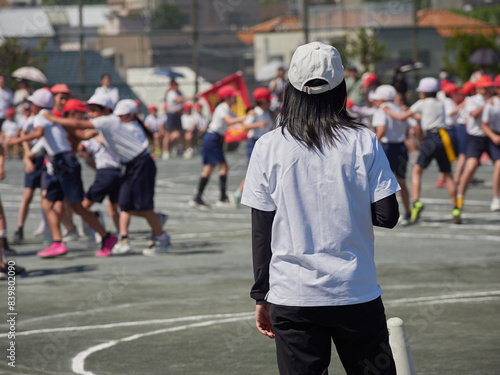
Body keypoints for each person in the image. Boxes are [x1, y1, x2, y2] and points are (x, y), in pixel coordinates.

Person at [241, 41, 399, 375]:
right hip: (355, 291)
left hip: (292, 295)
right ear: (341, 87)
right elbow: (388, 215)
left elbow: (261, 229)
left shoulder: (268, 146)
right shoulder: (363, 140)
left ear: (290, 89)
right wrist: (347, 204)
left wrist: (261, 294)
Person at [44, 96, 171, 256]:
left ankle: (162, 237)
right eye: (89, 110)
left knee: (143, 206)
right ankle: (127, 237)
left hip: (140, 165)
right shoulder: (106, 123)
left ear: (106, 110)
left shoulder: (108, 120)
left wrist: (52, 118)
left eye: (94, 110)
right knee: (124, 204)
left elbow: (79, 125)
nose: (90, 113)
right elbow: (83, 135)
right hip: (131, 166)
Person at [8, 89, 118, 258]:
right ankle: (58, 242)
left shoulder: (42, 115)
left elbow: (39, 134)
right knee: (48, 203)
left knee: (76, 206)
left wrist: (15, 141)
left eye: (31, 103)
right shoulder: (50, 116)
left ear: (36, 105)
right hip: (59, 162)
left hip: (64, 162)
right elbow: (48, 140)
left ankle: (106, 237)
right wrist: (30, 154)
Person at [383, 77, 461, 225]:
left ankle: (417, 202)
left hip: (431, 137)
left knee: (417, 171)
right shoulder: (440, 103)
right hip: (444, 137)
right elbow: (423, 116)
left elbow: (400, 118)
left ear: (424, 93)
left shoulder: (422, 103)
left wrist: (387, 110)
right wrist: (412, 113)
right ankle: (456, 207)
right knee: (448, 174)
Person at [189, 85, 248, 210]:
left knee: (209, 168)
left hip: (214, 139)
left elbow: (238, 121)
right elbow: (231, 121)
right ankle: (221, 198)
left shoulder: (226, 108)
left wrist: (249, 115)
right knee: (223, 167)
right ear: (226, 98)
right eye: (233, 96)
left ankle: (198, 198)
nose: (235, 98)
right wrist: (247, 117)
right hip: (212, 138)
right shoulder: (222, 108)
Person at [372, 85, 415, 225]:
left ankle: (383, 212)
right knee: (402, 181)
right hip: (401, 147)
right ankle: (408, 212)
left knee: (381, 182)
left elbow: (382, 129)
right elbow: (413, 125)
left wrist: (372, 144)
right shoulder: (399, 108)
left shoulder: (382, 109)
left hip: (388, 148)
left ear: (383, 98)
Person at [457, 75, 497, 212]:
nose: (487, 90)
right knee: (471, 166)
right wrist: (486, 105)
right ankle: (460, 196)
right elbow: (474, 114)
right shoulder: (471, 100)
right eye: (484, 87)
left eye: (489, 87)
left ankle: (496, 198)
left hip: (490, 136)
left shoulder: (495, 100)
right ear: (478, 88)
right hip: (475, 137)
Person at [230, 87, 274, 208]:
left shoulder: (267, 113)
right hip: (254, 143)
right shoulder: (254, 113)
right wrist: (259, 124)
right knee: (253, 171)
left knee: (266, 170)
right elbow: (245, 127)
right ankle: (238, 193)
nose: (270, 103)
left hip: (265, 143)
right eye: (268, 100)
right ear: (263, 101)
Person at [163, 80, 188, 159]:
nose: (176, 87)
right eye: (174, 86)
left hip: (178, 115)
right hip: (171, 115)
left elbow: (181, 102)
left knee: (181, 133)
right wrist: (189, 97)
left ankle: (184, 150)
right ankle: (165, 151)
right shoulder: (170, 93)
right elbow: (178, 100)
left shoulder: (179, 93)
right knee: (167, 133)